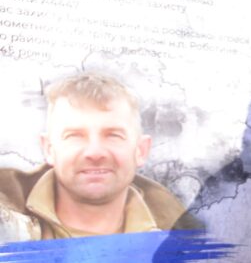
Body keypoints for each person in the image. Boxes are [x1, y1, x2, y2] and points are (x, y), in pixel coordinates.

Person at [0, 71, 199, 241]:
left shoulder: (187, 244)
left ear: (141, 150)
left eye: (113, 135)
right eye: (75, 136)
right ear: (49, 149)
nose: (94, 153)